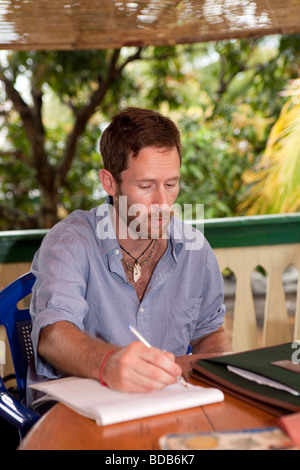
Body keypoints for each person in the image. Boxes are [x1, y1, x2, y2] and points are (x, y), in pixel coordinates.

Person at [27, 107, 230, 407]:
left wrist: (215, 385)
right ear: (109, 183)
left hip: (163, 406)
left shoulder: (194, 248)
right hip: (75, 411)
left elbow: (210, 333)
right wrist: (107, 363)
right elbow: (53, 335)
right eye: (146, 186)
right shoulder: (70, 241)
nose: (163, 203)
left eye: (171, 184)